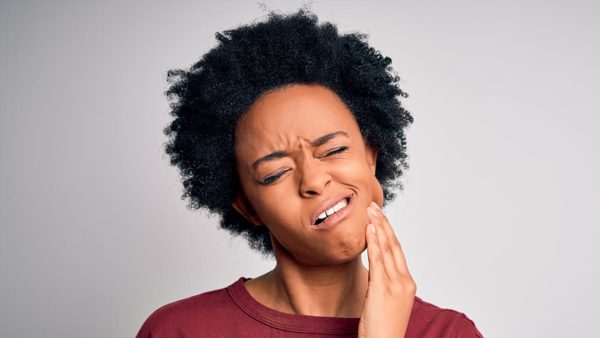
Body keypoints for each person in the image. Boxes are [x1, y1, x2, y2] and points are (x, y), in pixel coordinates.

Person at [137, 10, 483, 338]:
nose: (314, 181)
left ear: (371, 157)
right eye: (275, 174)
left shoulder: (446, 333)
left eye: (334, 151)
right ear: (249, 208)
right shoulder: (179, 330)